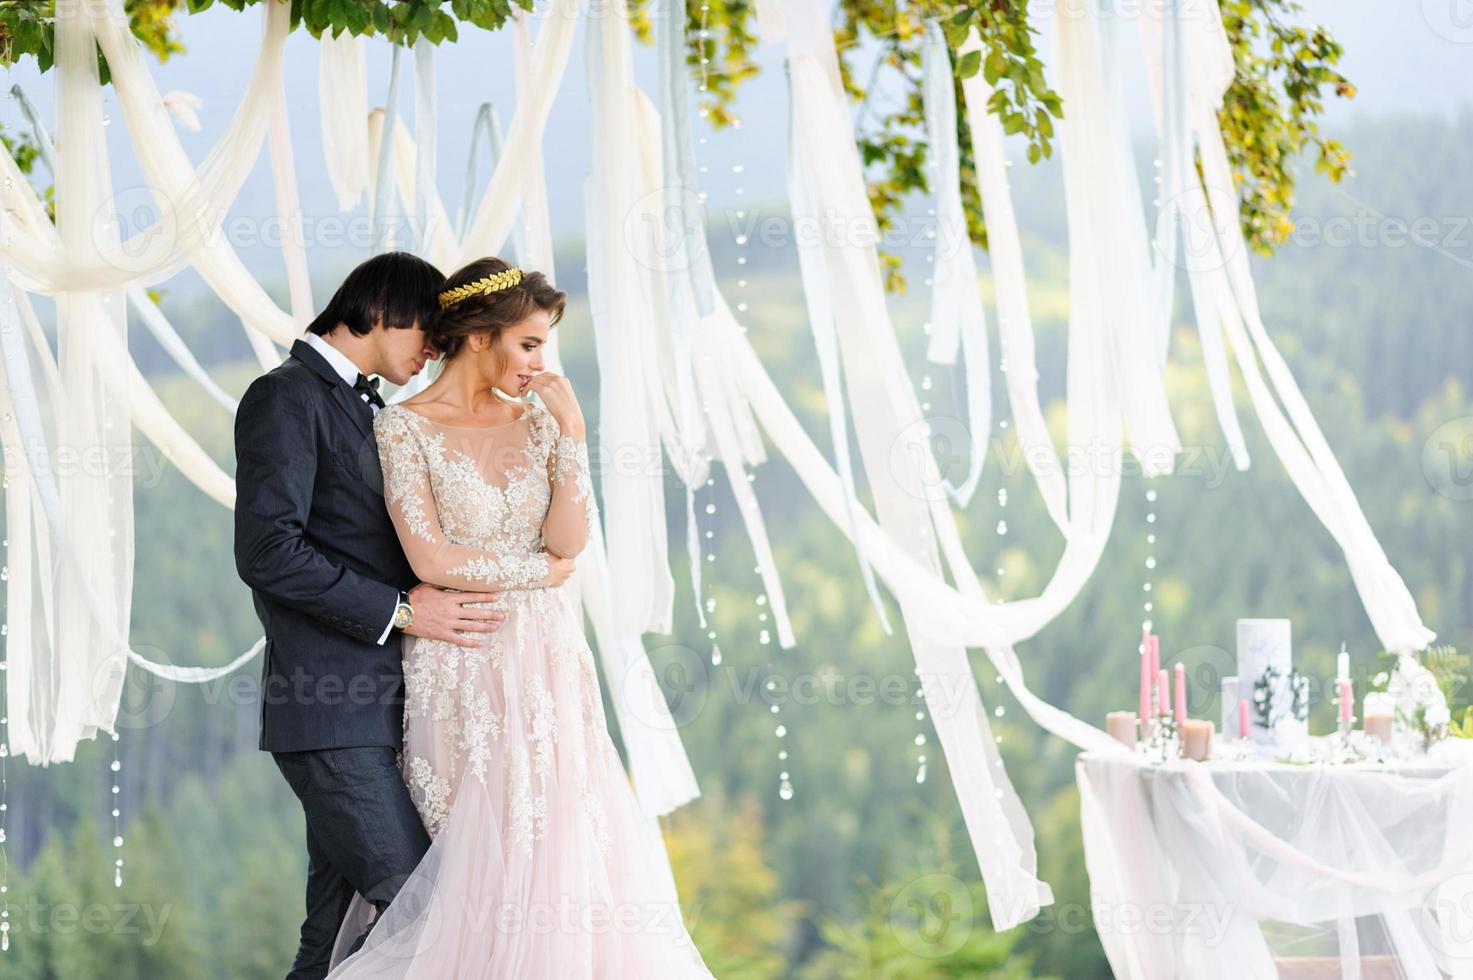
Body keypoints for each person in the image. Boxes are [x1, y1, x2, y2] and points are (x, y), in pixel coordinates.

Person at [325, 256, 713, 977]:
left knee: (564, 844)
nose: (539, 362)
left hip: (550, 661)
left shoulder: (539, 425)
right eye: (529, 344)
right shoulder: (403, 429)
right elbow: (432, 559)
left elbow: (569, 541)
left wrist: (571, 436)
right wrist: (540, 576)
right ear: (479, 336)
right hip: (461, 660)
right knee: (476, 865)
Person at [233, 251, 513, 979]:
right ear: (385, 308)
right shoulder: (286, 396)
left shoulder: (367, 405)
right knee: (426, 914)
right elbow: (267, 551)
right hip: (330, 714)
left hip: (376, 713)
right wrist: (398, 609)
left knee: (333, 942)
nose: (434, 352)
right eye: (430, 331)